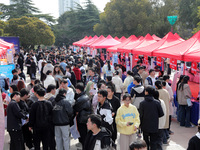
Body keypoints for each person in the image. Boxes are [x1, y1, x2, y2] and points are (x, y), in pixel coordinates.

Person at [139, 86, 164, 150]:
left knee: (146, 142)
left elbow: (140, 115)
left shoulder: (142, 103)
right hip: (154, 125)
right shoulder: (157, 102)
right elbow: (161, 114)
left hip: (145, 125)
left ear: (147, 92)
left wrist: (140, 125)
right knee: (154, 142)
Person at [73, 82, 92, 148]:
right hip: (86, 118)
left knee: (82, 135)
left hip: (81, 119)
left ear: (78, 89)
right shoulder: (86, 96)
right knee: (85, 134)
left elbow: (75, 108)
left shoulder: (80, 99)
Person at [155, 80, 170, 145]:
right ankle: (166, 137)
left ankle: (164, 139)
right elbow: (169, 99)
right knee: (164, 125)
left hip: (160, 110)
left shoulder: (157, 92)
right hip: (166, 109)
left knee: (161, 126)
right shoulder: (165, 91)